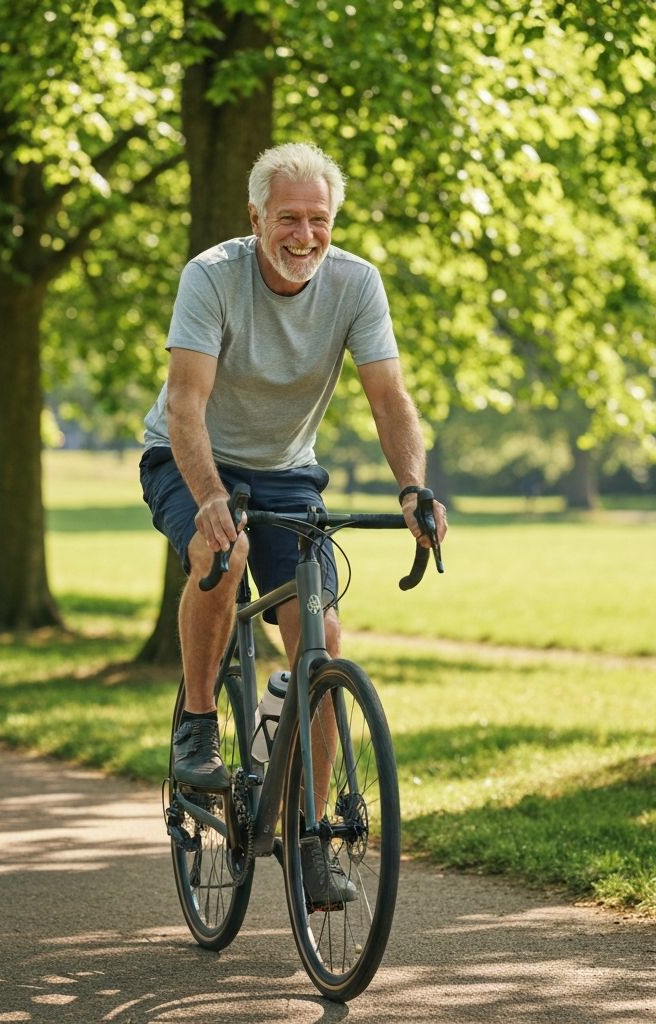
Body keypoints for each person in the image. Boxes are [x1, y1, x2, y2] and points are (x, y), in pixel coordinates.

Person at [140, 142, 446, 905]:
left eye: (319, 219)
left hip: (286, 470)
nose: (304, 234)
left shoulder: (355, 284)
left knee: (321, 642)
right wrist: (210, 495)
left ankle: (310, 839)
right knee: (225, 551)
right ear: (256, 218)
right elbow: (185, 403)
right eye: (288, 218)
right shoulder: (211, 276)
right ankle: (200, 724)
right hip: (190, 456)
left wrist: (414, 489)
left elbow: (389, 400)